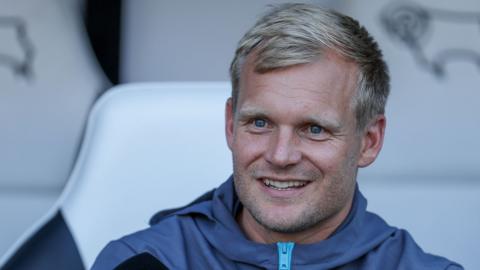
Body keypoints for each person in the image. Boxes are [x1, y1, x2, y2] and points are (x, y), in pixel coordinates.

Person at [92, 3, 463, 269]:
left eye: (314, 129)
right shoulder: (143, 262)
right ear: (229, 124)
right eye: (259, 123)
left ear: (369, 141)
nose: (281, 155)